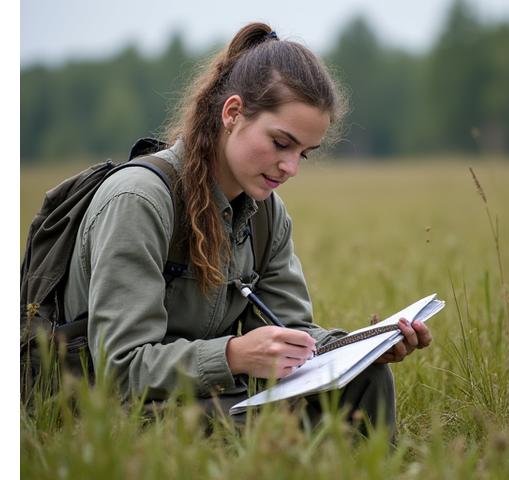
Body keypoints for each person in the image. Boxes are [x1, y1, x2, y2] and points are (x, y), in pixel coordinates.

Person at [63, 22, 432, 437]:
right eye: (280, 143)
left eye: (303, 155)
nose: (290, 168)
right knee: (271, 430)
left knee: (366, 383)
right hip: (114, 410)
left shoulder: (264, 213)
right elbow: (121, 369)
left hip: (206, 395)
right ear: (233, 113)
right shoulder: (139, 200)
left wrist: (363, 348)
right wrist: (233, 354)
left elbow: (293, 334)